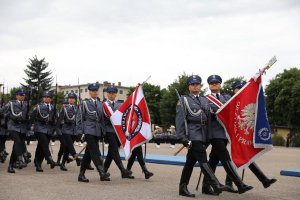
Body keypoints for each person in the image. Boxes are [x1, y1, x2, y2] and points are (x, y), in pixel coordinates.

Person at [202, 75, 253, 195]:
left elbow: (236, 109)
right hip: (213, 133)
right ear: (209, 85)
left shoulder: (227, 98)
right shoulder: (205, 99)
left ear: (220, 84)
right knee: (225, 158)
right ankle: (239, 184)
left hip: (225, 133)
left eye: (217, 82)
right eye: (212, 83)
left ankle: (205, 186)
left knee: (213, 160)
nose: (214, 84)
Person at [176, 75, 223, 198]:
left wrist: (208, 137)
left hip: (202, 135)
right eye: (192, 84)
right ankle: (215, 183)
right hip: (192, 134)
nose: (195, 86)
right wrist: (182, 138)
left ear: (200, 86)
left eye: (197, 84)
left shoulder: (204, 100)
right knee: (203, 157)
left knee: (190, 162)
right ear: (189, 87)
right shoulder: (183, 100)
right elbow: (180, 120)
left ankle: (182, 187)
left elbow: (210, 118)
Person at [229, 80, 277, 188]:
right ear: (234, 90)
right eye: (239, 88)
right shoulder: (230, 101)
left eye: (243, 88)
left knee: (243, 157)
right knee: (232, 158)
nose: (242, 90)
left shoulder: (246, 101)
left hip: (240, 134)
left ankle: (263, 180)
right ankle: (229, 183)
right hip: (227, 134)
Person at [76, 83, 110, 182]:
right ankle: (102, 172)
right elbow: (80, 117)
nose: (95, 92)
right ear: (90, 92)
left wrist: (104, 132)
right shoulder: (84, 103)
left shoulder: (100, 104)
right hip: (88, 130)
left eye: (96, 91)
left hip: (97, 131)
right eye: (93, 91)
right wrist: (79, 132)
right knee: (95, 151)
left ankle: (81, 175)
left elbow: (102, 119)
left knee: (88, 154)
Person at [103, 85, 132, 179]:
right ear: (107, 94)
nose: (111, 95)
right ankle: (123, 170)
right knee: (115, 150)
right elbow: (111, 116)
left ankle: (103, 172)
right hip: (109, 130)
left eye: (113, 93)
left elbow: (124, 115)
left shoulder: (120, 104)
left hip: (118, 132)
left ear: (116, 94)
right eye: (109, 93)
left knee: (111, 153)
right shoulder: (104, 104)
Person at [0, 89, 28, 173]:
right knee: (17, 141)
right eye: (20, 95)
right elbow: (1, 112)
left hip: (22, 127)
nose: (22, 96)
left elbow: (28, 115)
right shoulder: (11, 103)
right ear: (16, 96)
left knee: (16, 147)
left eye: (23, 95)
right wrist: (6, 118)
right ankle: (20, 160)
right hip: (12, 126)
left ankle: (10, 166)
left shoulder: (26, 104)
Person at [30, 91, 57, 172]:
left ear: (51, 99)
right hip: (39, 128)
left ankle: (38, 163)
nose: (46, 98)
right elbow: (32, 117)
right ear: (42, 98)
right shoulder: (38, 106)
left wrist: (54, 126)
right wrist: (30, 128)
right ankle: (49, 159)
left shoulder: (53, 107)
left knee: (41, 147)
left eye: (48, 97)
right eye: (45, 97)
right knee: (45, 144)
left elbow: (56, 118)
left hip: (49, 129)